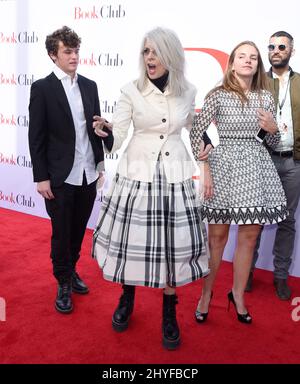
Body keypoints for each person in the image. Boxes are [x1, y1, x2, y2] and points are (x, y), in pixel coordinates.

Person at [92, 27, 209, 350]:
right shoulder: (131, 90)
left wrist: (206, 142)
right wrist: (106, 134)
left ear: (170, 55)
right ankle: (126, 298)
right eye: (145, 52)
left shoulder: (187, 90)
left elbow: (193, 128)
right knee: (134, 243)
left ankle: (169, 312)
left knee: (172, 247)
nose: (149, 58)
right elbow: (118, 136)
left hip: (174, 175)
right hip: (137, 172)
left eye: (155, 52)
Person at [190, 41, 288, 325]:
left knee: (249, 237)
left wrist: (272, 130)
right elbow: (197, 131)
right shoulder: (218, 95)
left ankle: (238, 295)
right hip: (223, 168)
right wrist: (205, 166)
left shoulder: (266, 98)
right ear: (232, 63)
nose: (248, 61)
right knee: (217, 238)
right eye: (242, 56)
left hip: (256, 169)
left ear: (258, 65)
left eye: (253, 58)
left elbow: (271, 141)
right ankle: (206, 295)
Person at [28, 26, 113, 314]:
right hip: (60, 175)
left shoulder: (90, 85)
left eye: (76, 50)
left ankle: (71, 270)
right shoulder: (42, 88)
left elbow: (96, 129)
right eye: (67, 51)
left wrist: (101, 160)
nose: (74, 56)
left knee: (78, 230)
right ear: (54, 55)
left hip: (89, 173)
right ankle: (63, 281)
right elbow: (36, 137)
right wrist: (40, 177)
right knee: (61, 233)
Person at [245, 31, 300, 300]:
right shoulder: (257, 83)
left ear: (291, 50)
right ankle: (247, 273)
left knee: (287, 221)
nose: (276, 50)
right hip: (262, 159)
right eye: (271, 46)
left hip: (293, 162)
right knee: (254, 217)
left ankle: (280, 276)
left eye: (281, 46)